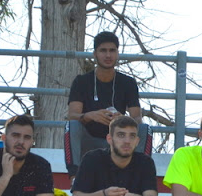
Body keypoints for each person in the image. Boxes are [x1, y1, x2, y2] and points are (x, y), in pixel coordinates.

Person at [64, 31, 151, 181]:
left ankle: (142, 177)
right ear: (95, 54)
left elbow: (137, 118)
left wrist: (123, 119)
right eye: (103, 50)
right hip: (89, 139)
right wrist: (90, 116)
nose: (108, 55)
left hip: (118, 140)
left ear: (117, 53)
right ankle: (74, 178)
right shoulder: (81, 81)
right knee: (71, 125)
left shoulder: (128, 82)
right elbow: (72, 115)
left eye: (112, 50)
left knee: (145, 129)